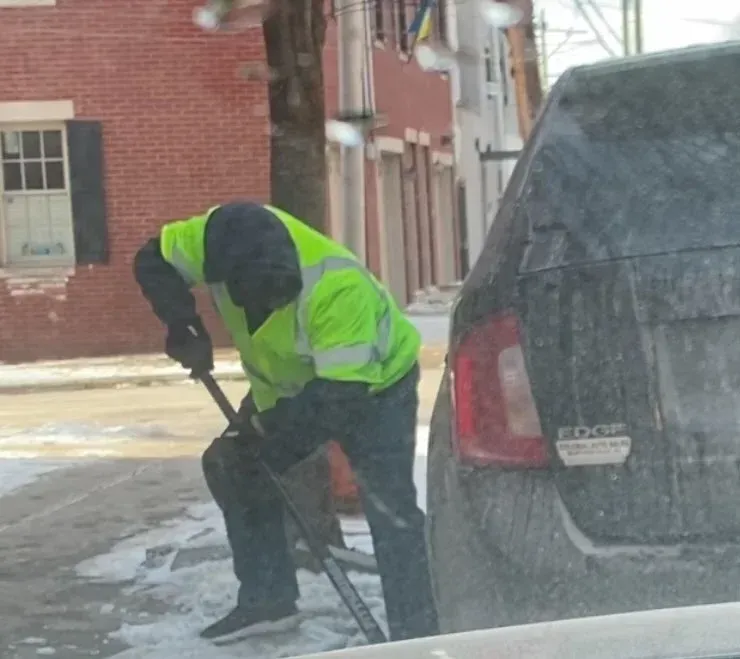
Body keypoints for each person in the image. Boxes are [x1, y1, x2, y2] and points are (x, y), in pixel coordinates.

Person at [133, 201, 439, 644]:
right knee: (232, 464)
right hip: (285, 388)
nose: (270, 307)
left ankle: (417, 632)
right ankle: (267, 599)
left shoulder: (337, 290)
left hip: (375, 390)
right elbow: (152, 260)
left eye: (280, 297)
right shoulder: (213, 240)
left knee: (389, 506)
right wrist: (184, 326)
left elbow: (340, 400)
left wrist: (273, 444)